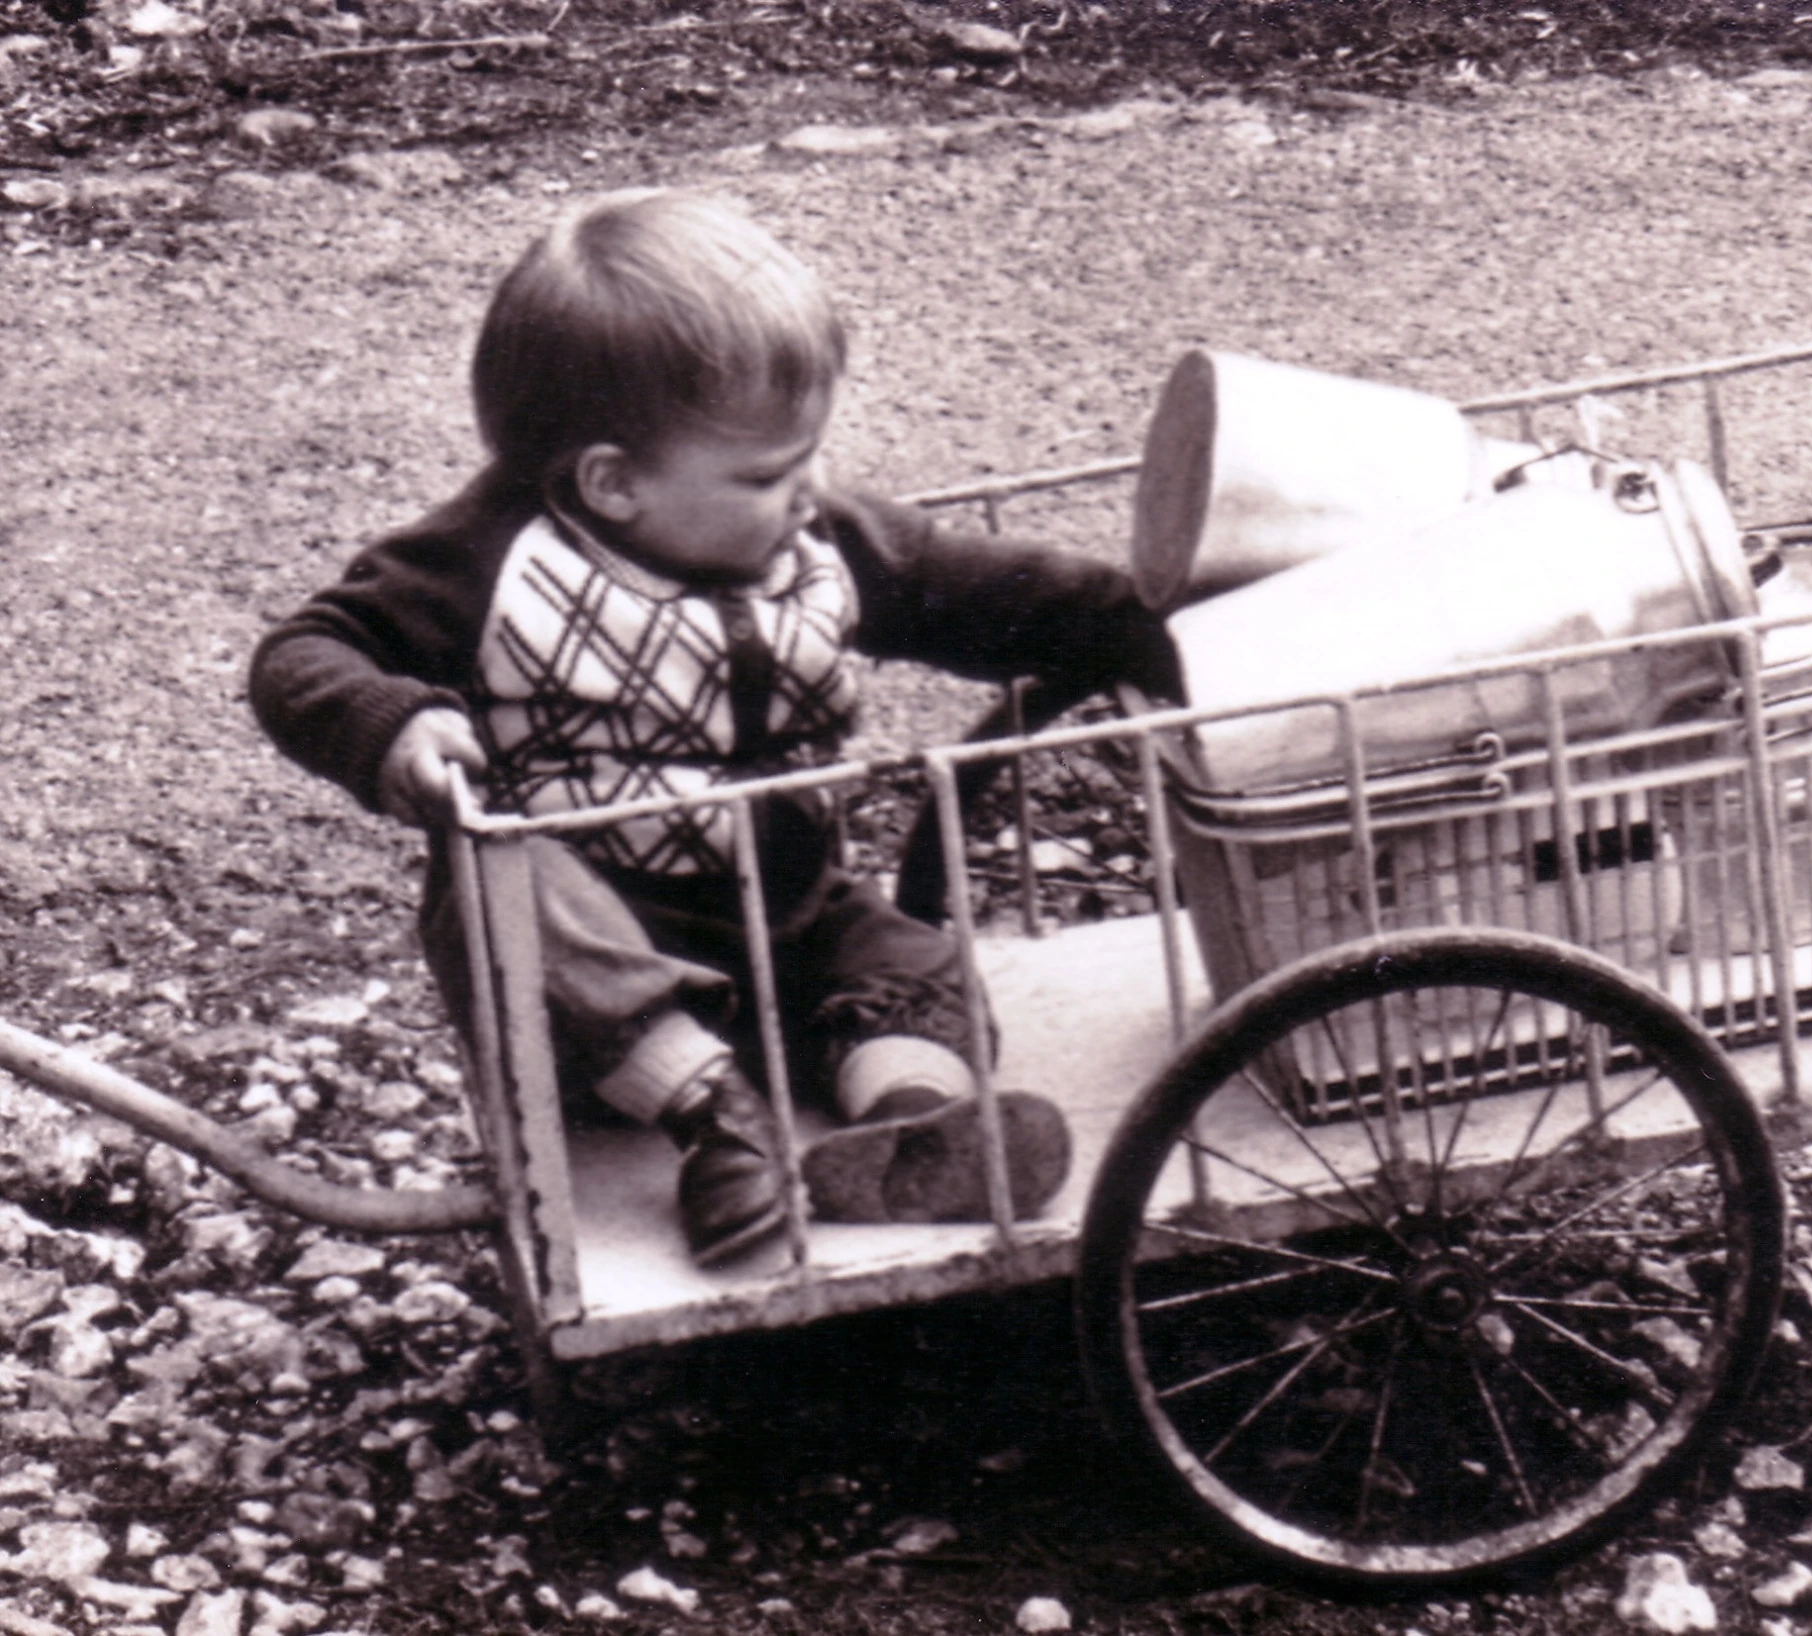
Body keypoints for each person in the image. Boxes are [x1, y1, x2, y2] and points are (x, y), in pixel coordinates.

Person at [250, 187, 1178, 1265]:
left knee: (913, 960)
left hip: (787, 910)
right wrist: (393, 724)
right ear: (611, 483)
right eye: (768, 473)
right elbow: (302, 657)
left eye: (810, 458)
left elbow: (978, 589)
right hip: (602, 959)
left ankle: (908, 1123)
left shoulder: (815, 541)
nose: (809, 492)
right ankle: (709, 1114)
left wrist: (1160, 621)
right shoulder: (489, 561)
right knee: (500, 893)